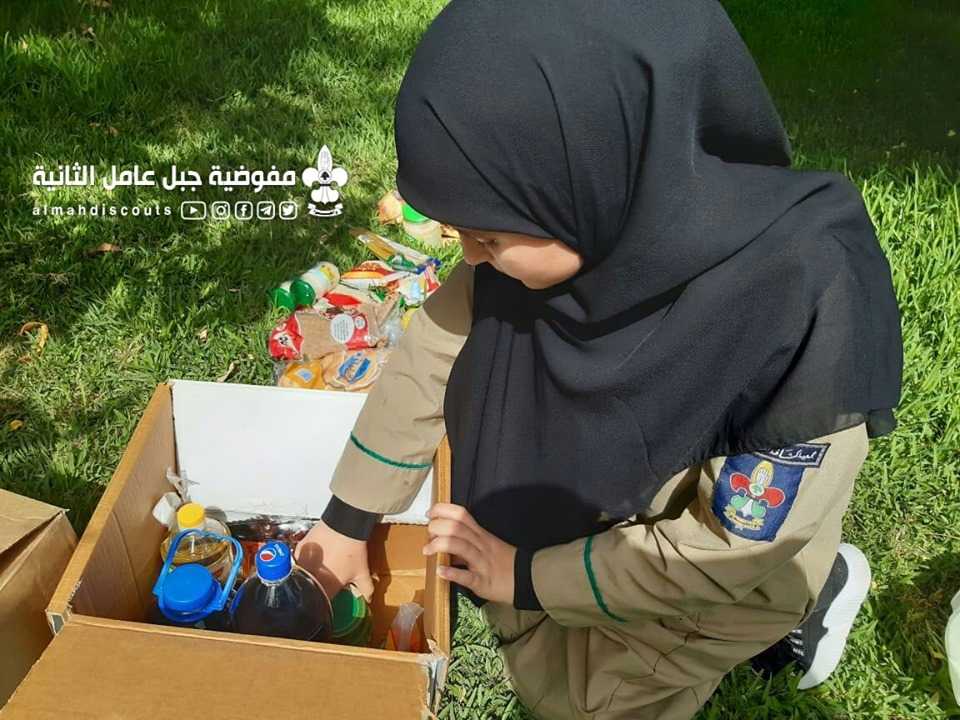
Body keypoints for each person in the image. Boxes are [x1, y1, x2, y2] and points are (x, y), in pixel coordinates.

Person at [294, 1, 903, 717]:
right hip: (604, 517)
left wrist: (529, 577)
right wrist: (347, 519)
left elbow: (727, 543)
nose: (470, 258)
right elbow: (433, 354)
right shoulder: (578, 213)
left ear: (590, 172)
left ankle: (804, 594)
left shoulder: (802, 303)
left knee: (586, 697)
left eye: (487, 238)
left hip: (709, 558)